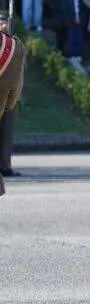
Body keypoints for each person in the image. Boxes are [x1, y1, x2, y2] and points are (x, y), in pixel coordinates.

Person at [0, 11, 25, 184]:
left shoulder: (13, 45)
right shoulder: (12, 46)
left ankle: (5, 164)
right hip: (8, 93)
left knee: (7, 134)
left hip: (10, 95)